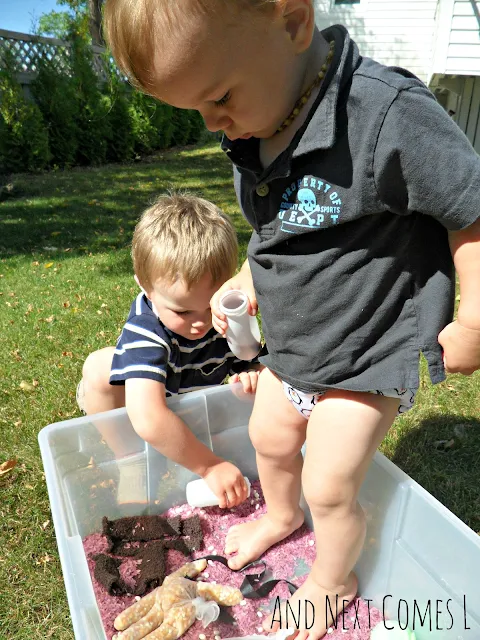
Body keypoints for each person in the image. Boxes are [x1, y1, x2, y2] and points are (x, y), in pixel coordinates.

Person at [103, 1, 480, 637]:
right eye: (196, 108)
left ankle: (334, 580)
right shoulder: (255, 120)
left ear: (292, 21)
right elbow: (279, 232)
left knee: (329, 485)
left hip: (366, 350)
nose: (212, 122)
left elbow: (470, 209)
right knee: (271, 441)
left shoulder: (385, 114)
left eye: (218, 95)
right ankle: (281, 515)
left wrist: (473, 320)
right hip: (295, 348)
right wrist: (250, 278)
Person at [78, 192, 262, 509]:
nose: (201, 323)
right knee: (98, 369)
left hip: (191, 399)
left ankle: (187, 449)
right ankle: (130, 458)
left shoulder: (225, 311)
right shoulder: (146, 331)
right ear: (144, 286)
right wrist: (210, 466)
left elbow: (254, 359)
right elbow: (148, 417)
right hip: (145, 397)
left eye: (211, 305)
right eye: (183, 312)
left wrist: (251, 374)